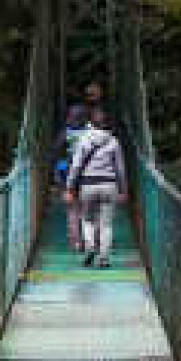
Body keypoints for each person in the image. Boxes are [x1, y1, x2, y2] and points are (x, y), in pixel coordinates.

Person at [64, 108, 126, 268]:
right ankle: (103, 258)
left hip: (88, 185)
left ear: (90, 123)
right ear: (106, 124)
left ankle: (90, 247)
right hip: (109, 185)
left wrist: (69, 188)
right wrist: (123, 190)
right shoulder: (114, 141)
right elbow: (120, 169)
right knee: (106, 224)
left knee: (87, 220)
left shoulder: (84, 139)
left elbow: (76, 166)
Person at [53, 104, 91, 251]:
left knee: (72, 210)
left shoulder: (65, 134)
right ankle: (89, 242)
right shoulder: (91, 133)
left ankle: (76, 242)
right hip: (88, 174)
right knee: (87, 210)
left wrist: (57, 173)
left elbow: (56, 152)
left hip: (68, 174)